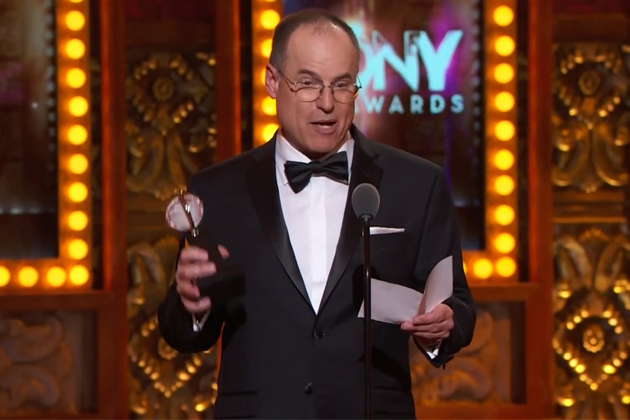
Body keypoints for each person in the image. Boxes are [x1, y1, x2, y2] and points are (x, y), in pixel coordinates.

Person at [157, 8, 476, 419]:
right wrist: (192, 306)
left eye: (341, 86)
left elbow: (459, 303)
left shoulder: (417, 184)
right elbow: (182, 332)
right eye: (307, 84)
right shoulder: (217, 190)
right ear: (273, 82)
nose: (326, 103)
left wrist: (444, 325)